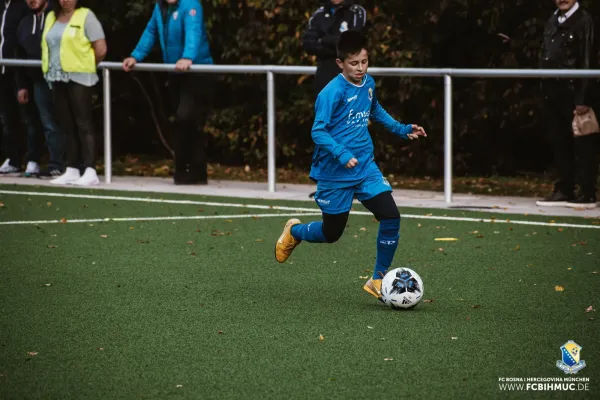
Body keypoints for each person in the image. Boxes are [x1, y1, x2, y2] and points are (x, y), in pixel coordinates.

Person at [274, 30, 427, 302]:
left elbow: (375, 109)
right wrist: (341, 153)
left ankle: (378, 279)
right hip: (334, 173)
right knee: (331, 233)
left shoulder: (368, 83)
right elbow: (318, 131)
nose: (360, 68)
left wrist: (402, 129)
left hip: (365, 167)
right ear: (339, 63)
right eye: (354, 63)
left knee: (391, 215)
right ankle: (294, 231)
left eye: (364, 62)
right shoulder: (330, 93)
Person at [123, 0, 214, 185]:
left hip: (196, 70)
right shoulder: (159, 7)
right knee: (187, 122)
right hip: (175, 72)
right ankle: (195, 172)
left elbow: (193, 31)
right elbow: (151, 31)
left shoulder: (191, 5)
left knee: (185, 117)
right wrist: (135, 56)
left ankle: (184, 169)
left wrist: (188, 57)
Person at [536, 0, 598, 209]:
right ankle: (565, 188)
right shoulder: (553, 20)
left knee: (583, 142)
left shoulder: (584, 21)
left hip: (574, 92)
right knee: (559, 141)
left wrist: (583, 98)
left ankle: (587, 192)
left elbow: (589, 58)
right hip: (553, 92)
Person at [42, 0, 107, 186]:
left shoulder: (86, 15)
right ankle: (71, 168)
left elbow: (100, 49)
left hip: (80, 77)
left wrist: (86, 66)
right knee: (65, 124)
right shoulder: (51, 17)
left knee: (83, 123)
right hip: (56, 76)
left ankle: (89, 169)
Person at [16, 0, 65, 178]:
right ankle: (46, 162)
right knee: (41, 122)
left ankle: (65, 164)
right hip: (36, 80)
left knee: (59, 122)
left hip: (59, 78)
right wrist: (21, 85)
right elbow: (19, 54)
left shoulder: (57, 17)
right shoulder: (24, 22)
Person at [0, 0, 41, 177]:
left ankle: (33, 160)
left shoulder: (24, 6)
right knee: (8, 118)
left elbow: (24, 41)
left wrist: (22, 80)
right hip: (2, 71)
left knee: (30, 117)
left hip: (21, 71)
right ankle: (13, 159)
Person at [303, 0, 367, 97]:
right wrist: (337, 45)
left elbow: (352, 43)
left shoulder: (356, 12)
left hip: (350, 77)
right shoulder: (319, 14)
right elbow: (309, 44)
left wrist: (323, 40)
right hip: (324, 76)